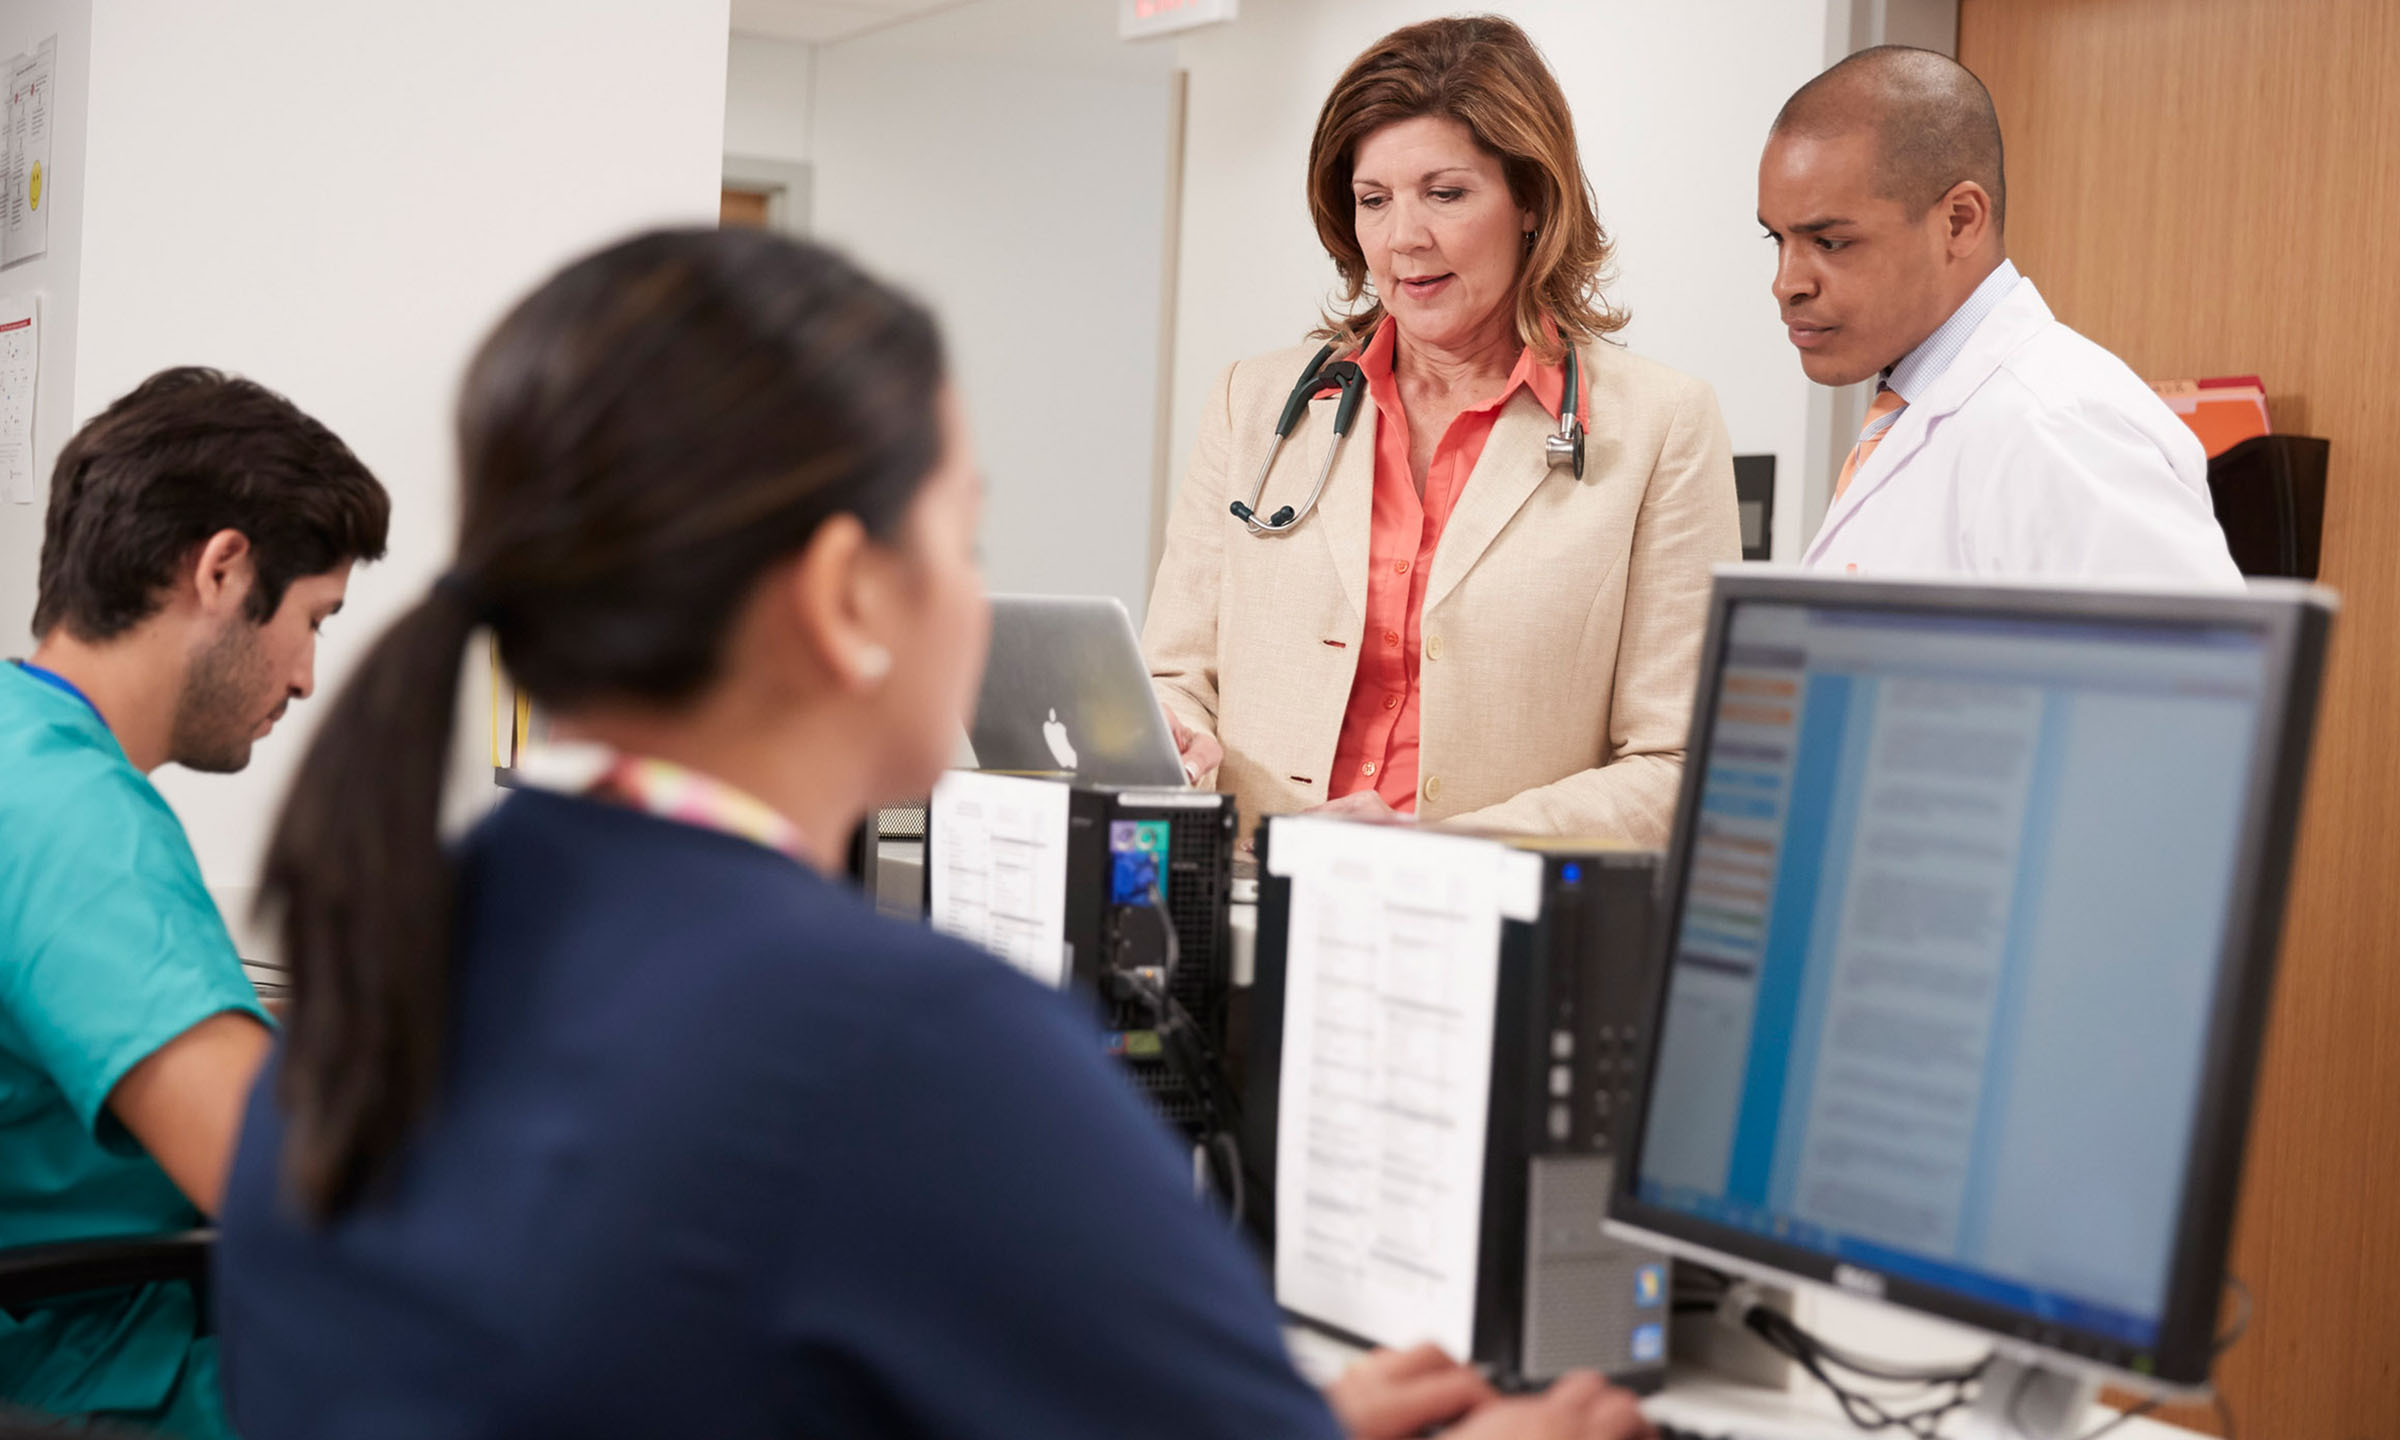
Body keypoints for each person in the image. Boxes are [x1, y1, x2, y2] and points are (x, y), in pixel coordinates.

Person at [215, 229, 1653, 1440]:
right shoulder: (905, 1041)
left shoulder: (398, 938)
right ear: (847, 595)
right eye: (962, 540)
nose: (976, 599)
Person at [1145, 16, 1739, 844]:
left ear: (1532, 199)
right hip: (1253, 901)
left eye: (1446, 193)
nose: (1404, 239)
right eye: (1373, 201)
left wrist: (1446, 845)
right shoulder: (1255, 402)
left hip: (1482, 922)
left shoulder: (1661, 427)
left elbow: (1680, 766)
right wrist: (1168, 734)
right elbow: (1175, 674)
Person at [0, 366, 389, 1436]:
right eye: (315, 618)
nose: (308, 676)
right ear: (223, 570)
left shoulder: (19, 742)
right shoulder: (75, 817)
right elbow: (285, 1184)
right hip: (104, 1370)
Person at [1759, 46, 2241, 583]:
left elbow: (2191, 666)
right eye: (1775, 238)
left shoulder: (2059, 429)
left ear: (1960, 222)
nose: (1787, 284)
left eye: (1830, 241)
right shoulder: (1920, 414)